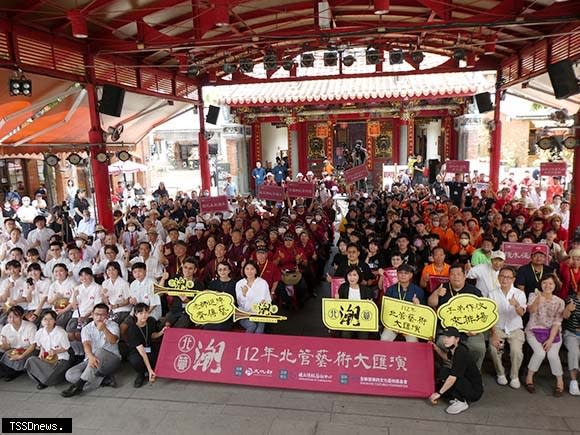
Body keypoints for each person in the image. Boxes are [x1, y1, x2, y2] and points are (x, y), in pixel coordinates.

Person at [429, 263, 486, 370]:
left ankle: (474, 372)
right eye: (453, 274)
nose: (456, 277)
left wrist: (476, 330)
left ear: (464, 276)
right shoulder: (442, 288)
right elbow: (431, 303)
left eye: (459, 274)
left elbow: (483, 312)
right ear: (449, 277)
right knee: (442, 342)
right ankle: (449, 369)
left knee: (479, 348)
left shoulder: (474, 291)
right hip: (447, 329)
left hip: (469, 329)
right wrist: (436, 293)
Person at [61, 303, 121, 397]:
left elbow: (113, 341)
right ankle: (104, 380)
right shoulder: (86, 328)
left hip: (111, 359)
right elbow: (86, 344)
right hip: (91, 360)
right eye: (97, 314)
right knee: (70, 374)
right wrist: (90, 356)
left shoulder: (113, 325)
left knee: (100, 351)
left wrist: (105, 329)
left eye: (102, 315)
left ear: (107, 315)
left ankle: (79, 385)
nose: (99, 317)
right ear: (92, 314)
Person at [524, 274, 565, 397]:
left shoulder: (559, 301)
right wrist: (538, 300)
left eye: (551, 283)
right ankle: (529, 377)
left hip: (553, 332)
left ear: (555, 286)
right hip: (533, 330)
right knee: (540, 353)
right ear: (541, 284)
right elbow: (530, 310)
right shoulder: (533, 295)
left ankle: (560, 381)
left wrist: (551, 339)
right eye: (545, 283)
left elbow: (557, 322)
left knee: (552, 354)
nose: (547, 286)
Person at [487, 266, 527, 389]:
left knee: (516, 351)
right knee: (494, 348)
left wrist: (516, 305)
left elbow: (521, 313)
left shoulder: (519, 293)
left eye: (508, 277)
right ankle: (500, 373)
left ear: (513, 279)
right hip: (497, 328)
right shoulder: (492, 293)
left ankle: (514, 376)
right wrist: (493, 333)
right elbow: (490, 315)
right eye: (502, 276)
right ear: (498, 278)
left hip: (515, 328)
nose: (505, 279)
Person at [429, 327, 483, 415]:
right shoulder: (454, 348)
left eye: (449, 337)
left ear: (457, 339)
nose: (446, 340)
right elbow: (446, 358)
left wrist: (439, 393)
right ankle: (456, 396)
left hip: (474, 391)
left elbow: (453, 378)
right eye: (445, 337)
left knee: (449, 375)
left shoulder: (461, 352)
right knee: (444, 371)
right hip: (466, 382)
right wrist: (435, 347)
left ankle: (461, 401)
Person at [24, 310, 71, 389]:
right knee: (31, 360)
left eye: (51, 319)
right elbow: (41, 346)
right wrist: (41, 354)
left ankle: (44, 380)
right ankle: (46, 380)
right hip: (47, 360)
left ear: (55, 321)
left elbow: (66, 348)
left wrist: (55, 351)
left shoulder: (61, 332)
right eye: (45, 319)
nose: (48, 322)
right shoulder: (39, 333)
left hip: (60, 359)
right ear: (41, 321)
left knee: (54, 370)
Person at [126, 303, 168, 388]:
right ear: (136, 314)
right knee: (136, 360)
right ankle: (141, 374)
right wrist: (150, 370)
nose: (144, 315)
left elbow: (152, 335)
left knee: (156, 357)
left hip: (149, 347)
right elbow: (141, 351)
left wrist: (161, 332)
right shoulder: (133, 328)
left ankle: (148, 371)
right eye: (141, 313)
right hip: (137, 351)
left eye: (146, 312)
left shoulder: (151, 321)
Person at [381, 264, 425, 342]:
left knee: (413, 342)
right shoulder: (390, 290)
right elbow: (385, 310)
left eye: (406, 273)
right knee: (384, 338)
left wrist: (418, 305)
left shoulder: (418, 290)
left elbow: (424, 313)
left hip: (410, 324)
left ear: (411, 275)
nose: (403, 275)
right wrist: (390, 325)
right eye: (400, 273)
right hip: (393, 323)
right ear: (397, 275)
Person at [336, 266, 374, 339]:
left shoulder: (366, 290)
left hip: (362, 320)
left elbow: (370, 310)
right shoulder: (343, 288)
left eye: (354, 275)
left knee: (364, 336)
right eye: (349, 275)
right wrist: (337, 301)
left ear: (359, 276)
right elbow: (339, 306)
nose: (352, 278)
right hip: (347, 320)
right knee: (345, 334)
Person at [0, 306, 37, 381]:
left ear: (22, 316)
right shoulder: (5, 328)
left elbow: (33, 345)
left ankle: (13, 371)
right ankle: (13, 371)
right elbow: (6, 348)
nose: (12, 320)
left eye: (15, 317)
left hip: (28, 350)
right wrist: (4, 345)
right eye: (10, 317)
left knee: (23, 360)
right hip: (12, 351)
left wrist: (21, 356)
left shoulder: (30, 327)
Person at [235, 261, 271, 333]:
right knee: (252, 326)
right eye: (247, 269)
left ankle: (256, 344)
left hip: (260, 313)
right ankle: (245, 344)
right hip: (244, 313)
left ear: (256, 270)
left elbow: (267, 300)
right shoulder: (240, 283)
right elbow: (240, 304)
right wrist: (244, 294)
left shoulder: (263, 283)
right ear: (244, 270)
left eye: (252, 269)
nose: (249, 271)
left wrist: (263, 305)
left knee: (259, 330)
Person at [206, 261, 237, 331]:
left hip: (228, 314)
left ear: (229, 270)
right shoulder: (213, 283)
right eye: (220, 269)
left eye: (225, 269)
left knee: (221, 327)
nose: (222, 272)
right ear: (217, 271)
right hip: (214, 313)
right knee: (207, 326)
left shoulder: (235, 284)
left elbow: (236, 301)